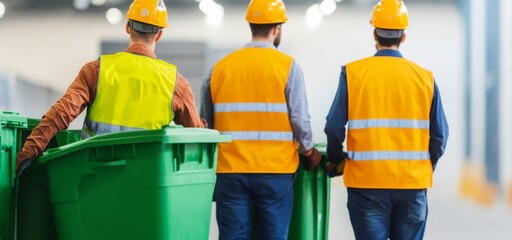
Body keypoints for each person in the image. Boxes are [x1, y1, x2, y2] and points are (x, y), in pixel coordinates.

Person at [16, 0, 205, 174]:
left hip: (94, 178)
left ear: (127, 27)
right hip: (147, 182)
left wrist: (28, 151)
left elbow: (61, 113)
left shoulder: (98, 70)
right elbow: (198, 136)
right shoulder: (176, 83)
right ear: (160, 34)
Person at [324, 0, 449, 239]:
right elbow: (440, 136)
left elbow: (333, 127)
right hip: (412, 185)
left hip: (366, 184)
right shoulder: (425, 78)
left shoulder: (353, 74)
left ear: (374, 33)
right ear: (404, 37)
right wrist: (423, 166)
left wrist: (334, 159)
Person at [199, 0, 321, 239]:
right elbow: (299, 119)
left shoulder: (220, 69)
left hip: (230, 171)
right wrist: (308, 151)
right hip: (275, 171)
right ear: (277, 28)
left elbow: (205, 124)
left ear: (251, 26)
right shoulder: (288, 67)